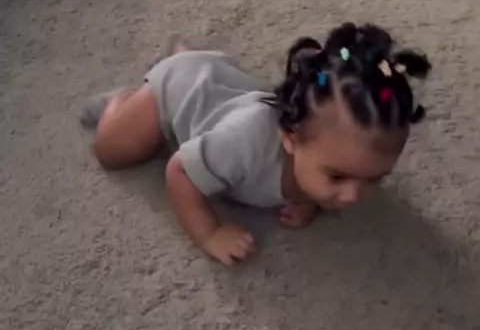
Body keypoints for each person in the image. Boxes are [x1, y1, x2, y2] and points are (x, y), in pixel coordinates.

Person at [82, 24, 431, 266]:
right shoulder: (242, 142)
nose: (353, 196)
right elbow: (179, 171)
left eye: (375, 178)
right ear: (290, 137)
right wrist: (210, 233)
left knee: (208, 81)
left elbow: (320, 168)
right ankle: (127, 98)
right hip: (175, 92)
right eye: (338, 177)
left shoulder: (321, 147)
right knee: (110, 152)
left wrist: (311, 199)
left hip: (220, 83)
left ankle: (191, 56)